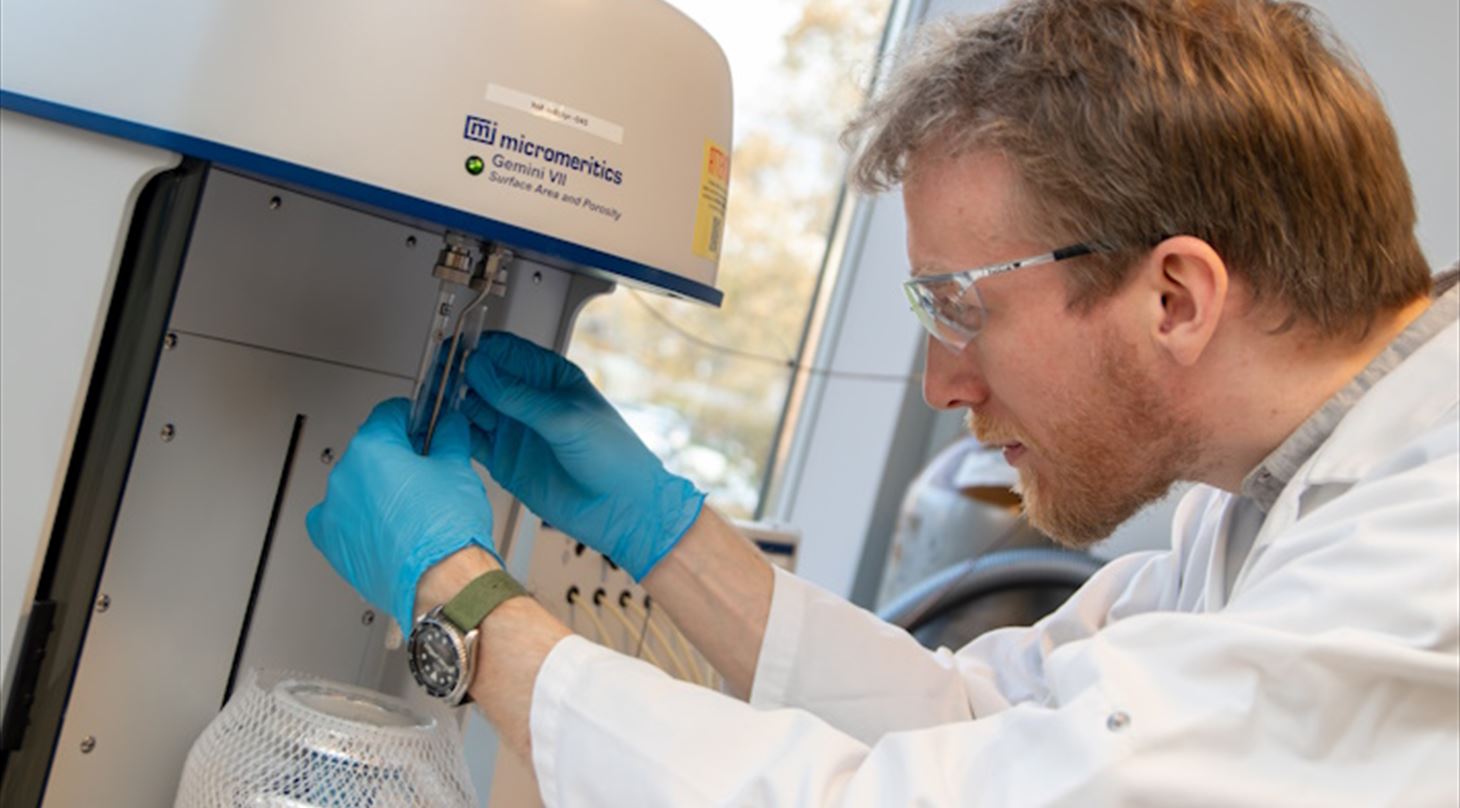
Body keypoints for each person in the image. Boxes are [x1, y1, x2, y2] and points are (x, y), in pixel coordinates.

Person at [304, 0, 1459, 803]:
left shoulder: (1422, 556)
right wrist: (666, 534)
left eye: (960, 308)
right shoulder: (1259, 493)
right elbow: (979, 729)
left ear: (1172, 297)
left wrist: (466, 614)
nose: (941, 383)